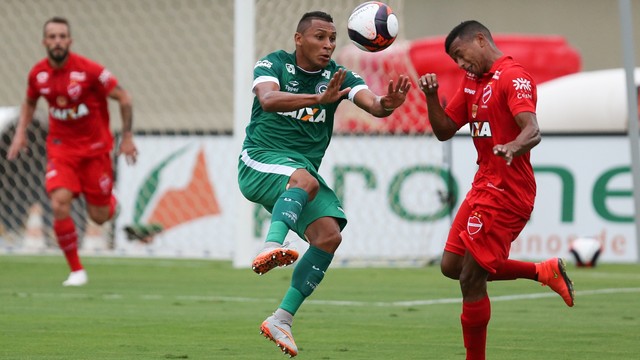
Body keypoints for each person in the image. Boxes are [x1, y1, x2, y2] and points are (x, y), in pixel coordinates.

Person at [238, 11, 410, 357]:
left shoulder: (339, 76)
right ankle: (271, 244)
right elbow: (268, 100)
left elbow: (373, 104)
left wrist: (387, 105)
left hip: (301, 173)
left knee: (329, 235)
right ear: (299, 39)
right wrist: (320, 100)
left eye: (332, 38)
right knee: (304, 180)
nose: (328, 45)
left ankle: (281, 320)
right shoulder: (273, 64)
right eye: (320, 37)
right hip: (260, 160)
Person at [418, 20, 574, 359]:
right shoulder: (473, 81)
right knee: (452, 265)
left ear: (480, 40)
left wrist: (513, 147)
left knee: (470, 279)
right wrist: (431, 97)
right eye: (455, 61)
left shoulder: (512, 78)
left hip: (507, 191)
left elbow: (532, 130)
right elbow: (445, 130)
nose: (460, 65)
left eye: (461, 55)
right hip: (484, 184)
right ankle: (541, 271)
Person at [7, 17, 137, 287]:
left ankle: (109, 199)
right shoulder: (38, 74)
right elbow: (29, 102)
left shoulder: (90, 71)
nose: (57, 41)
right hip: (61, 151)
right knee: (59, 202)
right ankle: (76, 270)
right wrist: (20, 132)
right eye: (52, 37)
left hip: (95, 152)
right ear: (45, 42)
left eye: (61, 36)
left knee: (99, 215)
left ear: (69, 40)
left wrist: (126, 136)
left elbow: (124, 97)